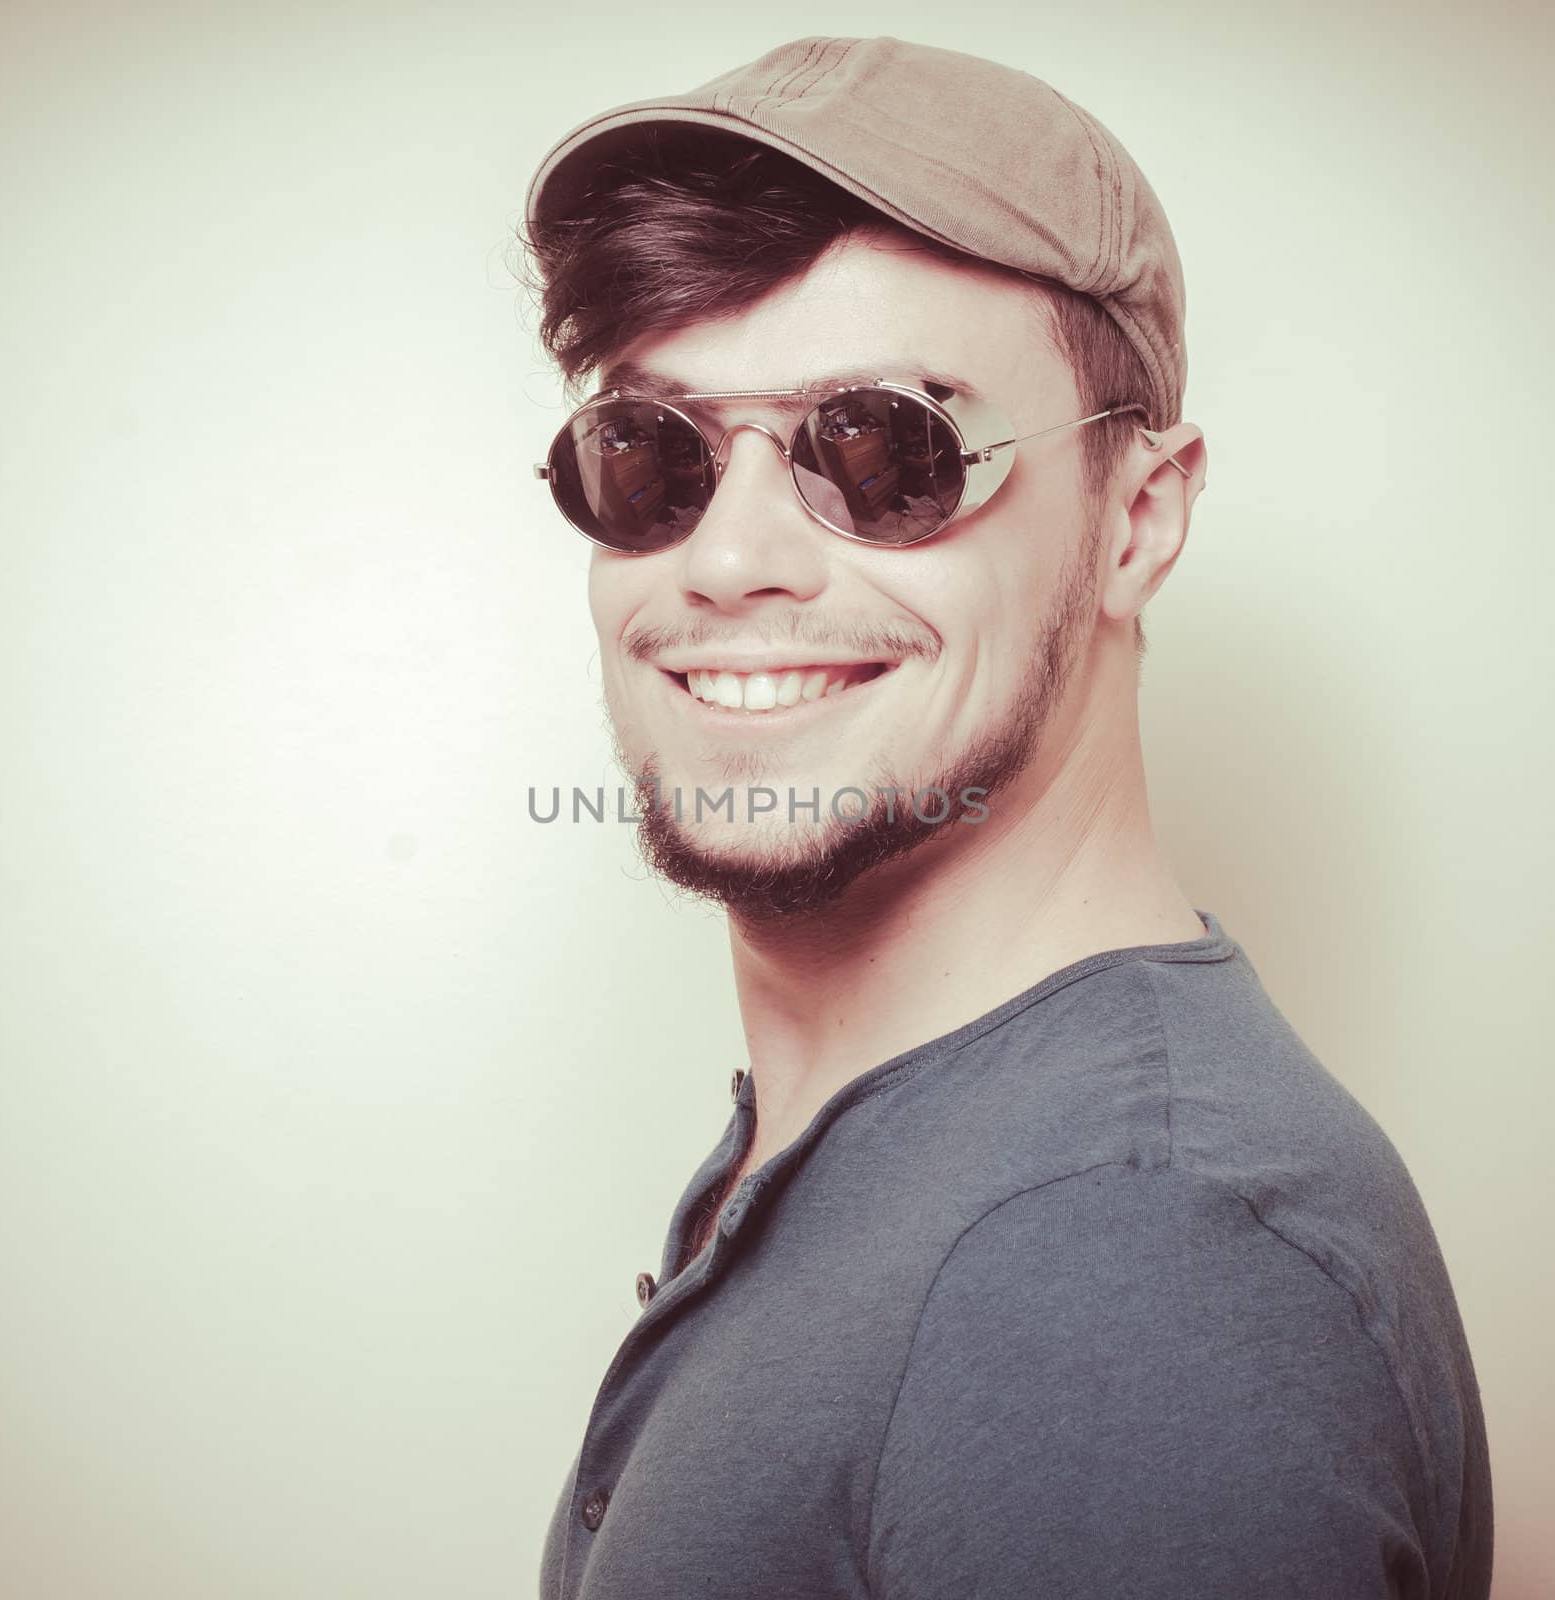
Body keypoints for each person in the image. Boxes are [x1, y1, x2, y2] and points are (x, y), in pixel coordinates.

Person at [516, 34, 1493, 1599]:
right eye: (654, 456)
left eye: (885, 446)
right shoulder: (911, 1151)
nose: (728, 561)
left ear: (1136, 522)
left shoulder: (1125, 1267)